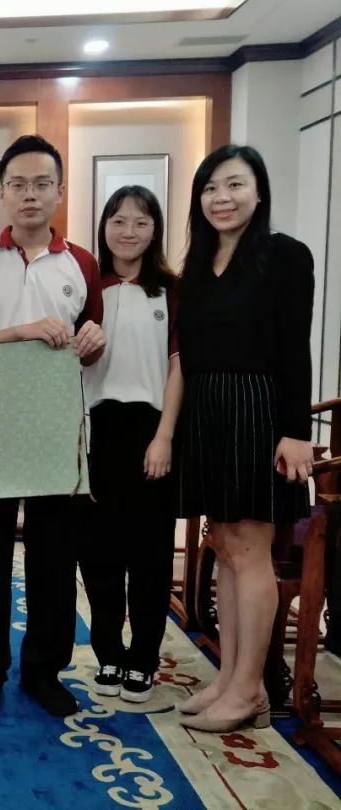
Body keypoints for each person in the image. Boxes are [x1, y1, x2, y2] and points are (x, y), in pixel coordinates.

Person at [0, 134, 106, 718]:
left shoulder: (82, 264)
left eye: (42, 184)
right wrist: (19, 332)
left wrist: (93, 339)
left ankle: (44, 670)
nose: (30, 194)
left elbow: (92, 343)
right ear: (1, 193)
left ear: (60, 191)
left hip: (57, 432)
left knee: (54, 559)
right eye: (18, 184)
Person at [174, 144, 314, 733]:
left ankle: (251, 689)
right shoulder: (198, 263)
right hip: (208, 410)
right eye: (210, 188)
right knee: (226, 546)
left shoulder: (284, 255)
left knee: (252, 551)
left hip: (257, 409)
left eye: (234, 185)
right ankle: (231, 677)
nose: (221, 198)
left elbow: (296, 348)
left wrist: (297, 432)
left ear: (259, 192)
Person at [79, 186, 182, 704]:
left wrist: (165, 437)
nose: (128, 231)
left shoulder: (171, 290)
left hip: (151, 432)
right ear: (104, 227)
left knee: (149, 554)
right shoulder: (87, 286)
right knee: (98, 553)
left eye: (141, 222)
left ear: (155, 230)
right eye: (118, 221)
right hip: (95, 429)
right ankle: (108, 653)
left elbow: (178, 366)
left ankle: (143, 657)